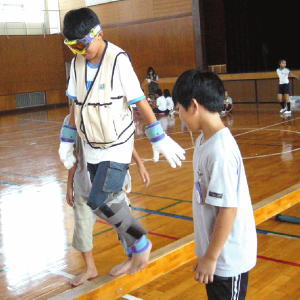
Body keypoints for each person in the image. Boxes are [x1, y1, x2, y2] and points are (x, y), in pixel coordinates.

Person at [59, 8, 185, 276]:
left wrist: (158, 137)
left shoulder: (118, 61)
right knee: (111, 203)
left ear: (99, 33)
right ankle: (132, 253)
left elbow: (139, 102)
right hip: (91, 146)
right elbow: (74, 107)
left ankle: (140, 242)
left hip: (117, 145)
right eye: (72, 47)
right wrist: (66, 141)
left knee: (100, 199)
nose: (80, 52)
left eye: (83, 44)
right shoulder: (77, 65)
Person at [172, 70, 257, 300]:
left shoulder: (220, 151)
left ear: (193, 105)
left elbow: (228, 209)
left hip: (228, 257)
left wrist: (210, 257)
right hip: (216, 254)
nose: (178, 115)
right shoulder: (203, 141)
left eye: (179, 108)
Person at [63, 115, 150, 286]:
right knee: (82, 228)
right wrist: (69, 186)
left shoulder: (106, 109)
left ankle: (132, 257)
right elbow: (71, 155)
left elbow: (124, 142)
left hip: (110, 183)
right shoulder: (70, 121)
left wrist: (140, 164)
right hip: (83, 185)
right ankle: (90, 268)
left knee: (123, 223)